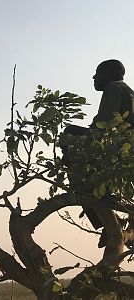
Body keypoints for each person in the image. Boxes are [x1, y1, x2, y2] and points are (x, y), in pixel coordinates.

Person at [62, 59, 134, 247]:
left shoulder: (114, 88)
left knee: (69, 135)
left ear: (113, 74)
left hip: (121, 151)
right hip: (126, 153)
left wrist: (70, 153)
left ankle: (104, 222)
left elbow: (102, 127)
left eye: (99, 73)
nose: (94, 77)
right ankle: (111, 223)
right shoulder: (127, 91)